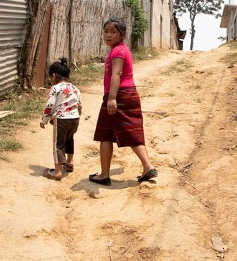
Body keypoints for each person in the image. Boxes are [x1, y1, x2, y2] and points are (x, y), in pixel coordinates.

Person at [89, 16, 157, 186]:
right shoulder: (119, 49)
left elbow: (116, 74)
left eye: (113, 32)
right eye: (105, 32)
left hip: (119, 95)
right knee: (108, 133)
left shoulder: (118, 51)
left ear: (122, 34)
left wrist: (111, 98)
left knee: (127, 132)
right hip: (125, 94)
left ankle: (147, 166)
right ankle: (105, 173)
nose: (108, 35)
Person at [40, 58, 82, 181]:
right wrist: (77, 115)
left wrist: (44, 120)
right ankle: (69, 163)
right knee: (69, 139)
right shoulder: (74, 88)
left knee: (58, 144)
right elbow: (79, 105)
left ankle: (57, 172)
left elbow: (49, 105)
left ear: (54, 75)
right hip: (75, 118)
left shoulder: (56, 88)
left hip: (62, 119)